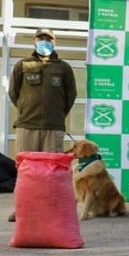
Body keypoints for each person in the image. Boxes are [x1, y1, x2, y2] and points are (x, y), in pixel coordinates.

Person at [8, 27, 77, 222]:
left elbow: (70, 96)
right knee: (25, 171)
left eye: (49, 39)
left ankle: (50, 210)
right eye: (41, 38)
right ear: (34, 41)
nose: (45, 41)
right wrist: (26, 110)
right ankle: (21, 210)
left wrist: (57, 115)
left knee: (52, 173)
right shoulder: (23, 65)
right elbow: (14, 93)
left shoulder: (63, 68)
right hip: (27, 126)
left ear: (54, 42)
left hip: (53, 128)